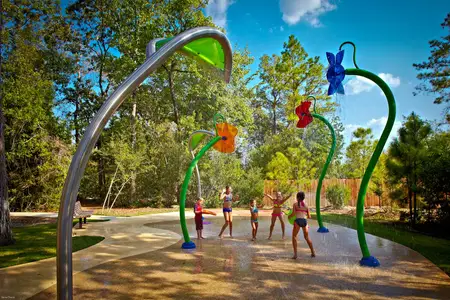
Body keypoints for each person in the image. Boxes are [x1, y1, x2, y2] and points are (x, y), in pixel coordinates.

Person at [289, 191, 315, 259]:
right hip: (304, 221)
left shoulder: (295, 204)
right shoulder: (306, 205)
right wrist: (304, 214)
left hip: (297, 221)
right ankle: (313, 252)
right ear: (303, 198)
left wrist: (289, 216)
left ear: (297, 197)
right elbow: (309, 216)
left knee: (294, 236)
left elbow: (294, 214)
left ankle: (295, 255)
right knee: (307, 238)